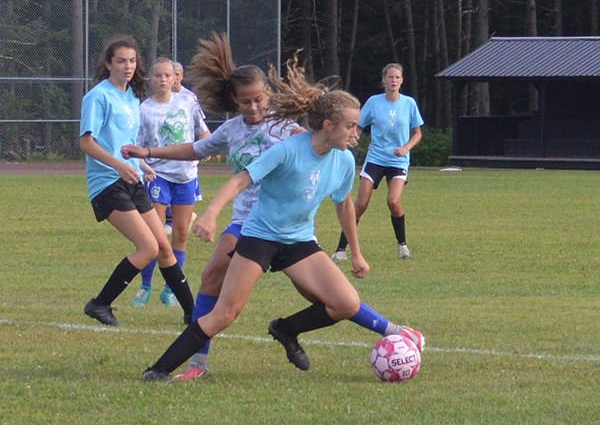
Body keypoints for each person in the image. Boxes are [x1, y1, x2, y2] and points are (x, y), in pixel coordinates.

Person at [122, 35, 418, 379]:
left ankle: (288, 329)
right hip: (256, 230)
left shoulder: (318, 146)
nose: (357, 133)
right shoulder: (273, 142)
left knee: (344, 303)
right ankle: (171, 368)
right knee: (222, 305)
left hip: (297, 238)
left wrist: (356, 252)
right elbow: (216, 165)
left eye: (259, 99)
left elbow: (344, 205)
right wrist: (208, 209)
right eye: (351, 126)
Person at [79, 37, 195, 327]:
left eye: (132, 61)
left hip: (132, 179)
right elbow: (86, 143)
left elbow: (125, 143)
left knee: (164, 248)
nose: (128, 66)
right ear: (108, 64)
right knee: (148, 249)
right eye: (121, 61)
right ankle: (100, 304)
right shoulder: (97, 96)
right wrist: (119, 165)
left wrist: (139, 163)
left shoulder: (132, 97)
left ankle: (193, 312)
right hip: (107, 183)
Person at [130, 57, 209, 309]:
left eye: (168, 75)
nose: (163, 80)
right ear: (151, 79)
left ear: (176, 78)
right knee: (155, 237)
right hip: (158, 175)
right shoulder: (144, 109)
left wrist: (206, 146)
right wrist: (143, 166)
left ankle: (170, 289)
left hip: (186, 175)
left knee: (181, 234)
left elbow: (201, 130)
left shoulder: (188, 101)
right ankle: (145, 287)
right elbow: (138, 145)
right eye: (158, 76)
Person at [332, 63, 424, 261]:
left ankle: (402, 245)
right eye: (390, 77)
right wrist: (353, 137)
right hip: (375, 158)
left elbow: (417, 134)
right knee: (361, 204)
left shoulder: (409, 104)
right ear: (383, 80)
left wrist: (406, 148)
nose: (393, 80)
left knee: (393, 201)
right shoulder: (374, 102)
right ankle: (340, 249)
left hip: (398, 161)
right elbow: (358, 126)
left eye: (397, 77)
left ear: (402, 81)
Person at [162, 61, 210, 236]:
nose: (171, 78)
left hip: (184, 155)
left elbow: (200, 125)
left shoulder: (189, 98)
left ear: (180, 76)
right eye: (166, 74)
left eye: (174, 74)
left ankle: (177, 221)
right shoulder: (159, 98)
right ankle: (174, 220)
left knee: (181, 188)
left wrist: (207, 143)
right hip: (163, 152)